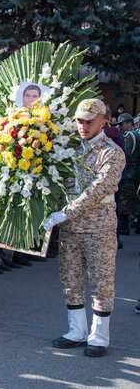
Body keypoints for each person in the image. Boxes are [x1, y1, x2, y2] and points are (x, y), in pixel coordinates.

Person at [43, 99, 125, 357]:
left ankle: (99, 336)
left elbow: (95, 192)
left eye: (89, 121)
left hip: (97, 227)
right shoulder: (69, 151)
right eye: (79, 121)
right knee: (70, 277)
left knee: (101, 281)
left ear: (104, 121)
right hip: (70, 228)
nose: (83, 126)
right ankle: (76, 331)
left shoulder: (111, 153)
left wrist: (62, 214)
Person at [113, 113, 140, 235]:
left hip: (129, 172)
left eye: (122, 124)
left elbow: (125, 153)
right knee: (133, 199)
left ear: (129, 123)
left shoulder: (130, 136)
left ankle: (124, 227)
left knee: (125, 201)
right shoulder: (136, 134)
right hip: (133, 172)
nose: (120, 127)